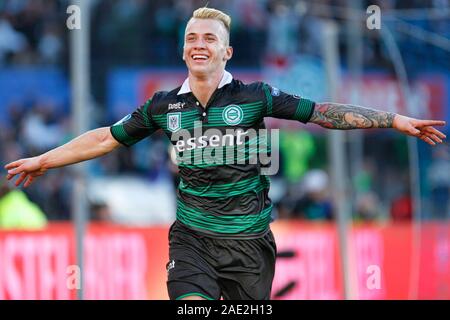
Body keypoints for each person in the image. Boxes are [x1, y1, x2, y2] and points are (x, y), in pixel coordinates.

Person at [4, 7, 446, 300]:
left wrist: (392, 120)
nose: (199, 43)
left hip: (250, 245)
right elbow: (105, 138)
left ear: (226, 51)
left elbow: (322, 113)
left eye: (209, 38)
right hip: (192, 239)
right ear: (183, 50)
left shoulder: (255, 95)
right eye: (192, 37)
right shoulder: (163, 106)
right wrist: (44, 159)